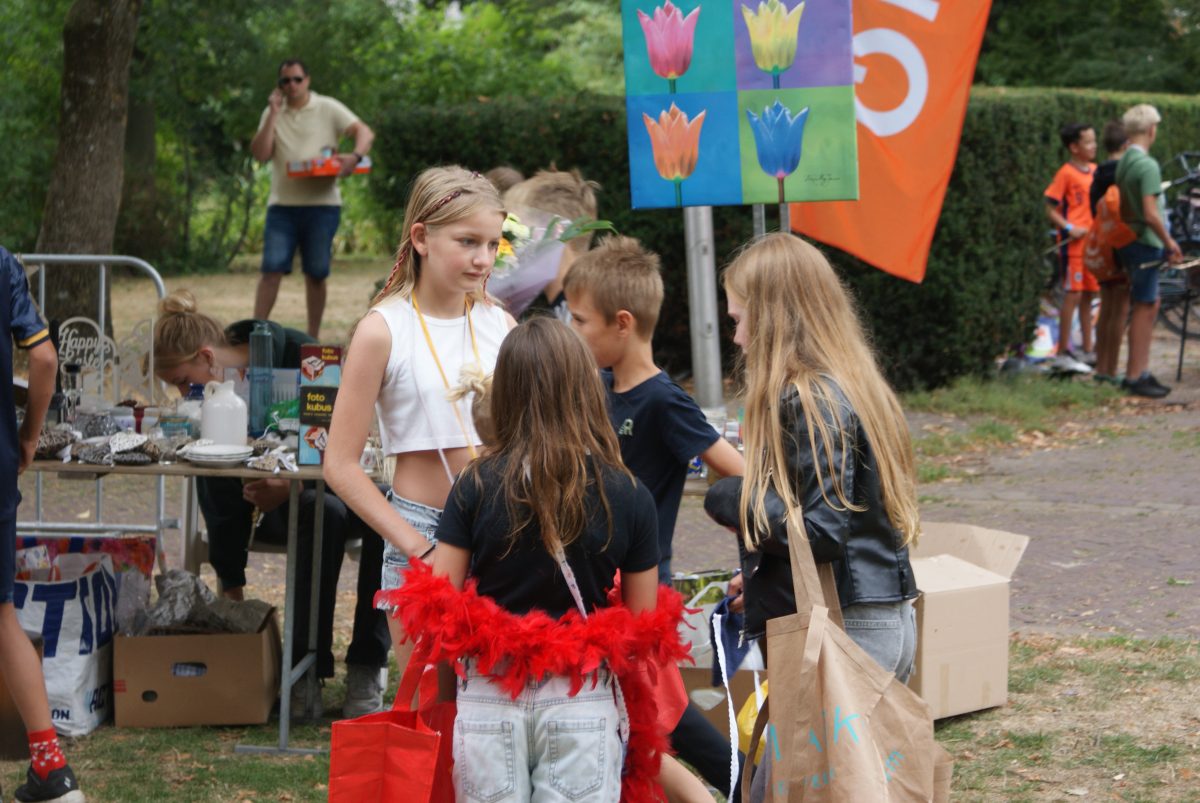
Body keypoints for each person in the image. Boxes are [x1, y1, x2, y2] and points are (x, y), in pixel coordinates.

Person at [704, 233, 921, 799]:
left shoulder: (807, 397)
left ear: (772, 317)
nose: (737, 338)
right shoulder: (851, 383)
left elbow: (820, 531)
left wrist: (734, 497)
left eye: (740, 320)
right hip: (876, 615)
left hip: (851, 627)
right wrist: (764, 579)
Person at [414, 318, 663, 800]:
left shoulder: (474, 484)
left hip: (489, 693)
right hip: (581, 696)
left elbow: (439, 610)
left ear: (505, 392)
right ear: (586, 390)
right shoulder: (629, 494)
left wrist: (446, 698)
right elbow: (641, 626)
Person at [563, 235, 745, 798]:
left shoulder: (664, 401)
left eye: (580, 321)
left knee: (663, 715)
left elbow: (738, 473)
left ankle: (751, 787)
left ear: (622, 323)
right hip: (594, 582)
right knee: (637, 712)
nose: (572, 331)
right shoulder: (595, 386)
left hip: (642, 586)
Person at [153, 290, 390, 717]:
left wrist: (292, 487)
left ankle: (367, 664)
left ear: (207, 357)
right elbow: (214, 485)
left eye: (184, 381)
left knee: (377, 511)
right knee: (322, 512)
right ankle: (304, 671)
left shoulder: (305, 355)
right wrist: (234, 594)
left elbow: (348, 443)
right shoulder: (212, 406)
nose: (184, 393)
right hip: (279, 512)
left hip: (335, 489)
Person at [322, 166, 515, 676]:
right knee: (433, 705)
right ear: (422, 238)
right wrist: (418, 546)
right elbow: (339, 464)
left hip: (501, 527)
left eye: (492, 244)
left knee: (501, 700)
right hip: (423, 531)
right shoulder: (383, 329)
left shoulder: (500, 324)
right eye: (468, 241)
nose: (483, 259)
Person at [1, 245, 86, 802]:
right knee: (1, 616)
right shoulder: (2, 263)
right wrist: (30, 434)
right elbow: (45, 360)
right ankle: (52, 771)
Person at [249, 58, 375, 338]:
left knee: (316, 273)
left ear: (307, 80)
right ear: (279, 84)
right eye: (285, 81)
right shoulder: (273, 111)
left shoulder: (327, 107)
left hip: (322, 206)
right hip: (282, 206)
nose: (292, 85)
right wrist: (272, 114)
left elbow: (365, 132)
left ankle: (312, 337)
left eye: (297, 79)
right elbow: (260, 154)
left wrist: (355, 157)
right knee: (271, 270)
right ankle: (256, 333)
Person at [1114, 103, 1182, 398]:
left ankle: (1139, 371)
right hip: (1147, 242)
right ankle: (1136, 374)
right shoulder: (1147, 165)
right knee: (1144, 307)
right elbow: (1151, 213)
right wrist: (1169, 242)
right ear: (1151, 130)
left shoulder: (1125, 160)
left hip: (1131, 239)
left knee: (1148, 304)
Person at [505, 168, 601, 323]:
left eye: (520, 231)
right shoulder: (580, 309)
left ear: (555, 233)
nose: (510, 245)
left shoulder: (581, 318)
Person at [1044, 122, 1098, 373]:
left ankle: (1088, 349)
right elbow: (1049, 208)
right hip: (1073, 246)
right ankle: (1062, 351)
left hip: (1092, 245)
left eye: (1094, 141)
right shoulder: (1065, 173)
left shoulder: (1095, 171)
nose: (1094, 146)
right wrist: (1068, 227)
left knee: (1089, 294)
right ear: (1074, 147)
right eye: (1088, 142)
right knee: (1073, 294)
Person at [1089, 121, 1132, 385]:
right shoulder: (1124, 173)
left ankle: (1101, 368)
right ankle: (1112, 370)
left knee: (1105, 308)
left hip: (1101, 245)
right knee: (1120, 309)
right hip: (1120, 245)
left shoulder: (1098, 174)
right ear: (1127, 144)